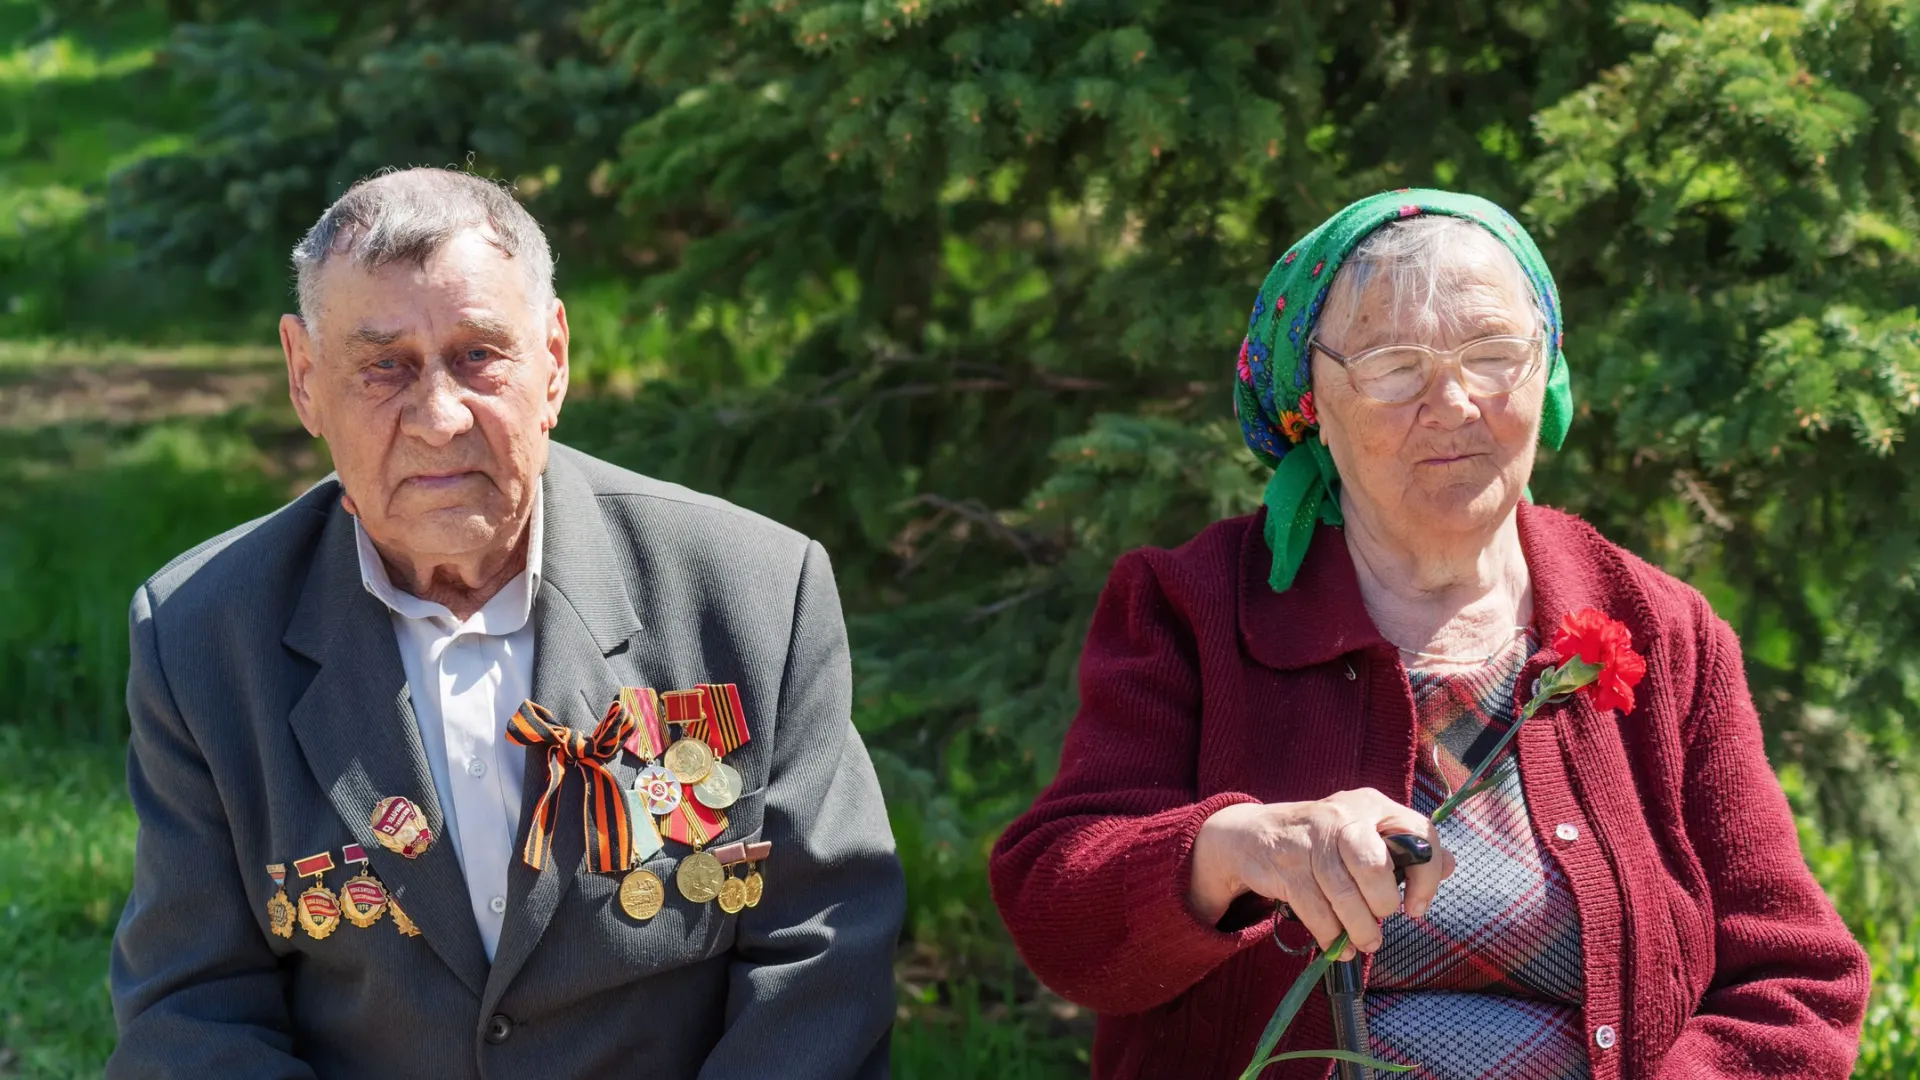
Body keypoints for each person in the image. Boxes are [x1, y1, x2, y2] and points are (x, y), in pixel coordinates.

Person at [989, 190, 1869, 1079]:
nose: (1452, 402)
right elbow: (1060, 911)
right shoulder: (1193, 607)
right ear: (1312, 405)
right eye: (1393, 364)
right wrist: (1240, 848)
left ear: (1548, 377)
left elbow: (1797, 979)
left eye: (1492, 355)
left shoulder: (1659, 629)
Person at [107, 167, 904, 1079]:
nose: (440, 418)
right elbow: (191, 1009)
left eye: (479, 355)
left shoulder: (753, 591)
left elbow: (822, 959)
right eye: (384, 366)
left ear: (555, 360)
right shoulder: (204, 634)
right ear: (304, 378)